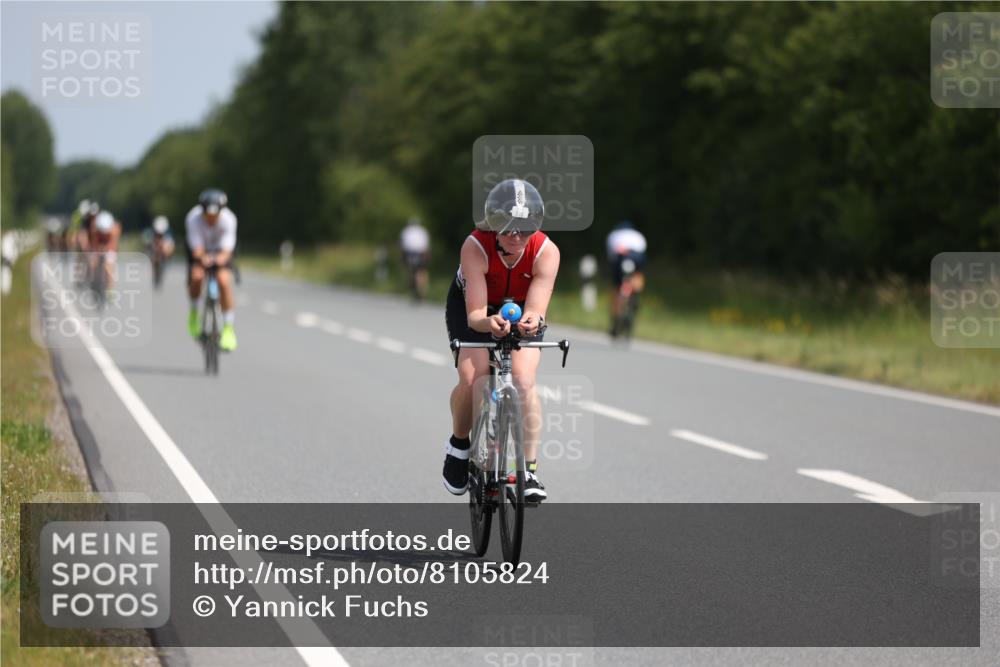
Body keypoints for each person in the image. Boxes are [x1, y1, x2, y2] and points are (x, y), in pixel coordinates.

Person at [443, 179, 560, 502]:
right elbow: (475, 316)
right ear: (494, 227)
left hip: (519, 309)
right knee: (473, 378)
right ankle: (459, 445)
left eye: (525, 229)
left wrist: (531, 320)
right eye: (508, 229)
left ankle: (529, 470)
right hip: (475, 307)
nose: (517, 237)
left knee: (523, 380)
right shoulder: (475, 246)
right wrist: (487, 323)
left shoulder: (546, 252)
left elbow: (536, 310)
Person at [185, 189, 238, 351]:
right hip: (201, 251)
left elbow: (227, 251)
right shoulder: (193, 218)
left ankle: (228, 328)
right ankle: (194, 313)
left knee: (223, 281)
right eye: (207, 215)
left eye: (214, 216)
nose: (211, 218)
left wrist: (218, 260)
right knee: (197, 277)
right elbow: (196, 249)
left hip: (221, 252)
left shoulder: (229, 220)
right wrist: (203, 258)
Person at [605, 220, 647, 337]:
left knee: (617, 288)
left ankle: (617, 315)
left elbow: (611, 257)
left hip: (620, 259)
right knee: (638, 276)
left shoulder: (613, 236)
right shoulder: (638, 236)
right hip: (637, 258)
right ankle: (635, 296)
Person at [87, 210, 121, 290]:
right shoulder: (94, 229)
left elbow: (113, 245)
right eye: (101, 232)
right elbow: (94, 245)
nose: (103, 234)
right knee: (92, 263)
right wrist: (97, 254)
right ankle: (93, 281)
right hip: (98, 246)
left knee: (109, 266)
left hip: (110, 248)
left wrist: (106, 251)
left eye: (105, 233)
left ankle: (110, 290)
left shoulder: (114, 230)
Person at [399, 216, 430, 302]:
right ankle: (422, 288)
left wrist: (402, 257)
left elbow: (403, 245)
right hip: (421, 253)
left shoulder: (406, 231)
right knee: (422, 271)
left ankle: (412, 285)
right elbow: (426, 245)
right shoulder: (423, 231)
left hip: (410, 253)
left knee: (411, 270)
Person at [145, 215, 175, 288]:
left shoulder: (168, 234)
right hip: (154, 251)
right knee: (152, 258)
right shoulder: (151, 233)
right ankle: (155, 271)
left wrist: (166, 250)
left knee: (167, 250)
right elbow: (147, 244)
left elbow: (171, 247)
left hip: (164, 252)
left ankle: (163, 265)